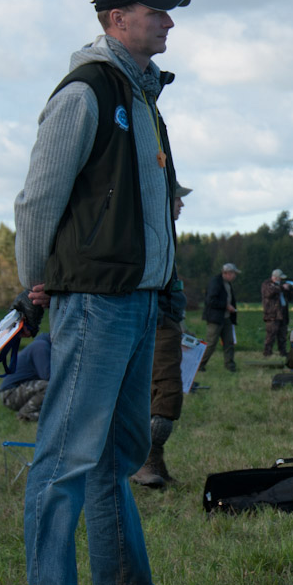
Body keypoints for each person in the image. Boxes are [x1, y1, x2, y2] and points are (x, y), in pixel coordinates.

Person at [13, 0, 199, 585]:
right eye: (157, 10)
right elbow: (38, 199)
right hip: (94, 300)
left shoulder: (144, 98)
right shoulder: (86, 91)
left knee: (116, 453)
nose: (169, 21)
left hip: (140, 300)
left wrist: (165, 282)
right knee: (66, 453)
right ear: (117, 18)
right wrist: (33, 283)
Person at [133, 183, 192, 488]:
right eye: (177, 199)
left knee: (154, 392)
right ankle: (146, 461)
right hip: (156, 322)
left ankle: (154, 461)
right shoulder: (152, 233)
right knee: (166, 393)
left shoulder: (159, 232)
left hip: (163, 320)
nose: (181, 205)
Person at [0, 332, 52, 421]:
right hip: (10, 393)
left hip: (16, 390)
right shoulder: (41, 347)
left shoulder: (41, 345)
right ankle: (26, 413)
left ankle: (34, 412)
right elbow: (47, 376)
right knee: (49, 386)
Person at [200, 262, 239, 372]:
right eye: (233, 273)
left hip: (226, 318)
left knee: (229, 343)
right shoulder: (215, 282)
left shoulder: (227, 284)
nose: (235, 276)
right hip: (215, 319)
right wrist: (226, 306)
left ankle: (230, 366)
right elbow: (210, 301)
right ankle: (199, 365)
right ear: (227, 273)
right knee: (211, 344)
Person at [260, 268, 293, 357]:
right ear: (275, 277)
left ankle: (283, 352)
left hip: (283, 314)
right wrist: (282, 287)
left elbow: (290, 297)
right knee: (271, 335)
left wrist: (291, 289)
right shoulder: (267, 284)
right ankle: (267, 353)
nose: (281, 280)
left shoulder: (280, 286)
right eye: (280, 278)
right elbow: (270, 292)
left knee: (283, 335)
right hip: (272, 314)